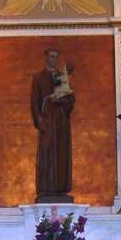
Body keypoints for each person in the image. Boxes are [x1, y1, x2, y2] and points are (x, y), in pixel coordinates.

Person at [31, 48, 75, 202]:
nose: (53, 59)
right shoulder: (38, 78)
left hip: (61, 121)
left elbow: (70, 98)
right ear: (46, 57)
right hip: (47, 120)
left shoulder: (61, 76)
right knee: (47, 153)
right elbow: (35, 101)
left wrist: (61, 101)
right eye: (51, 56)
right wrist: (39, 120)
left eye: (56, 57)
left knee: (61, 153)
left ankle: (61, 188)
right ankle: (46, 188)